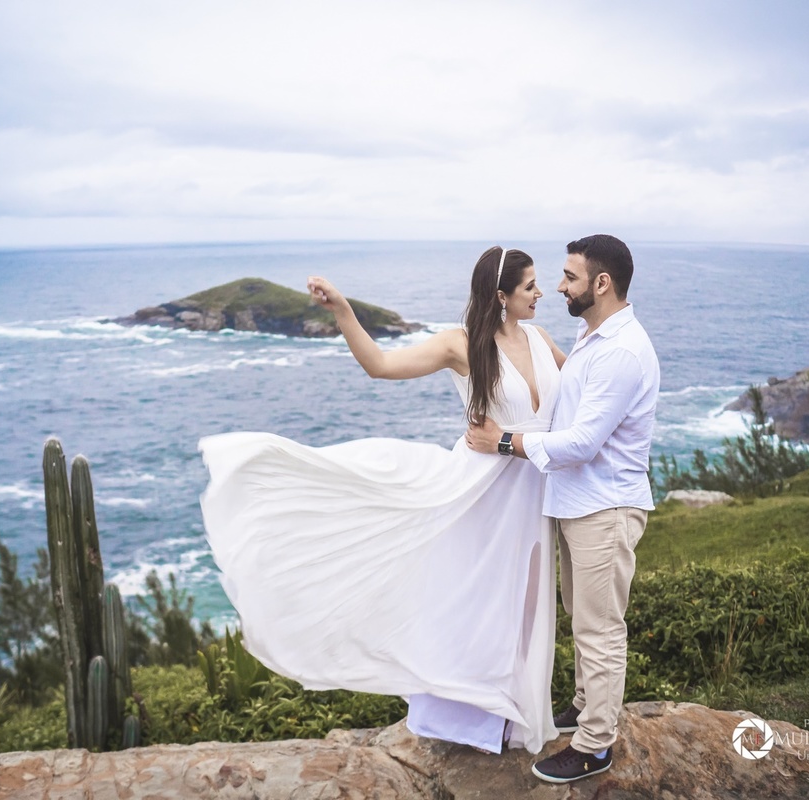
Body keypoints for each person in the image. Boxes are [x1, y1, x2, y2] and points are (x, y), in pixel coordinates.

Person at [199, 246, 567, 754]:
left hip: (530, 490)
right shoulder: (460, 344)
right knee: (476, 598)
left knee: (523, 604)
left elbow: (586, 390)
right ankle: (469, 720)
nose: (540, 293)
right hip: (479, 490)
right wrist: (344, 311)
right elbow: (380, 365)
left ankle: (511, 711)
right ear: (502, 296)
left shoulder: (542, 339)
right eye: (530, 286)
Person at [467, 234, 660, 783]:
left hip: (605, 508)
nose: (558, 286)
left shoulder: (620, 352)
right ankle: (583, 706)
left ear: (602, 284)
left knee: (600, 629)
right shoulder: (591, 332)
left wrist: (505, 442)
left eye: (570, 277)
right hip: (580, 504)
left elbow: (581, 443)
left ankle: (596, 743)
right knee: (585, 618)